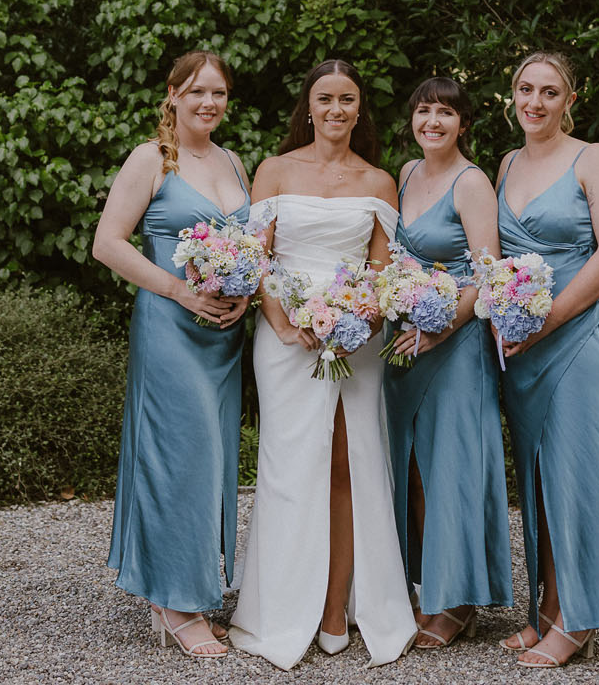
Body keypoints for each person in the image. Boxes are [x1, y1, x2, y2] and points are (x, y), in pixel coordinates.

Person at [229, 59, 418, 669]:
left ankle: (338, 605)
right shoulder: (275, 171)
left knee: (348, 465)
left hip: (354, 338)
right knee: (288, 467)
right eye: (325, 99)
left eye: (347, 100)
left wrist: (356, 316)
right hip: (286, 340)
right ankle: (282, 610)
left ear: (360, 109)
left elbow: (382, 271)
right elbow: (255, 259)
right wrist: (285, 321)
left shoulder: (379, 181)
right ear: (308, 108)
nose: (336, 110)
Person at [493, 51, 599, 668]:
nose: (535, 102)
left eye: (550, 93)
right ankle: (547, 609)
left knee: (580, 476)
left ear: (570, 101)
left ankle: (579, 620)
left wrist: (545, 321)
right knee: (537, 477)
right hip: (521, 345)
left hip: (581, 336)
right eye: (525, 90)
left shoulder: (594, 159)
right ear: (512, 96)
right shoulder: (506, 164)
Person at [92, 51, 252, 660]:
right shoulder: (150, 159)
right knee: (177, 457)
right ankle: (175, 604)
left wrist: (243, 293)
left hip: (223, 334)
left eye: (218, 94)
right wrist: (180, 288)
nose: (208, 103)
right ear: (174, 96)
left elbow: (248, 243)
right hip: (170, 327)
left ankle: (188, 588)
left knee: (211, 460)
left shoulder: (235, 161)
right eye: (197, 93)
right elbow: (107, 243)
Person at [382, 77, 512, 648]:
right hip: (402, 342)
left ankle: (457, 601)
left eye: (445, 113)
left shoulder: (472, 182)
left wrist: (439, 330)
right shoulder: (407, 174)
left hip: (454, 345)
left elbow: (488, 274)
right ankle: (424, 585)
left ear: (463, 123)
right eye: (423, 110)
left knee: (450, 467)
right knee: (409, 466)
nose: (432, 121)